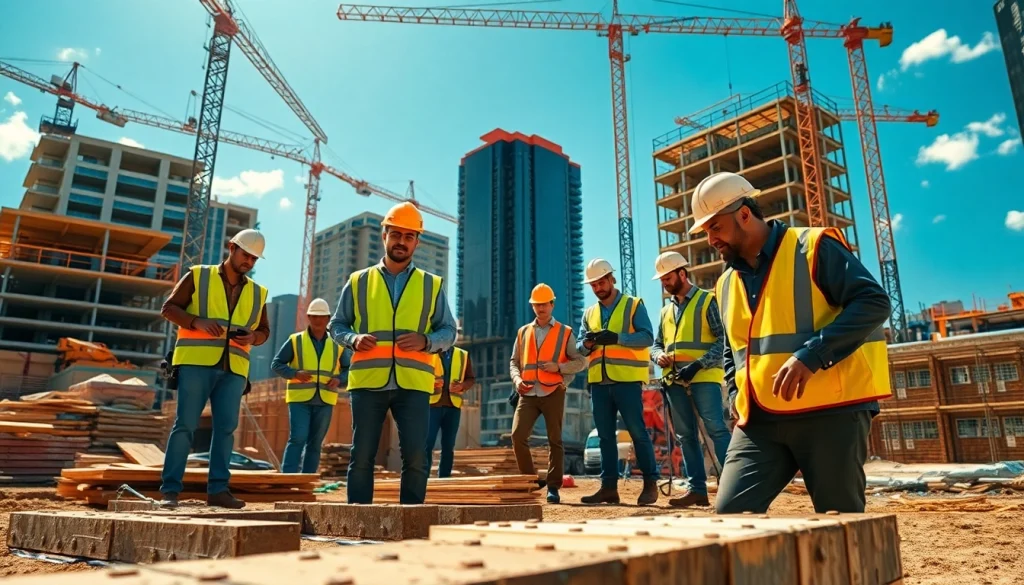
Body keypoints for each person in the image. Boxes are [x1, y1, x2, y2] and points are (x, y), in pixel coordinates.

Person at [687, 171, 891, 515]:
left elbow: (873, 302)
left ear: (744, 214)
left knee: (838, 523)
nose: (710, 239)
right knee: (732, 514)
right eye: (705, 231)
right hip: (761, 421)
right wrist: (737, 394)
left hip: (831, 412)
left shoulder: (812, 247)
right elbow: (732, 350)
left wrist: (813, 354)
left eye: (715, 227)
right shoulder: (724, 285)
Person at [328, 201, 457, 504]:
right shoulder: (359, 280)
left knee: (415, 455)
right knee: (361, 454)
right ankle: (358, 520)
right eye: (396, 234)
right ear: (384, 235)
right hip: (368, 381)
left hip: (413, 383)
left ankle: (411, 520)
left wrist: (426, 340)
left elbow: (449, 332)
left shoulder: (431, 284)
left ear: (417, 241)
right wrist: (353, 337)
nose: (401, 241)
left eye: (409, 236)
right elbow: (337, 325)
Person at [159, 229, 270, 509]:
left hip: (234, 368)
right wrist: (196, 321)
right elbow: (169, 308)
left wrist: (254, 337)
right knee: (185, 425)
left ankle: (218, 491)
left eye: (254, 258)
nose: (249, 262)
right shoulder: (198, 275)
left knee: (226, 429)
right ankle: (170, 491)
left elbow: (264, 331)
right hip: (196, 364)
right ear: (231, 248)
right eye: (246, 254)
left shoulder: (258, 293)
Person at [577, 259, 660, 506]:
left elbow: (647, 337)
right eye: (593, 284)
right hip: (599, 383)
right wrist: (588, 344)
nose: (597, 287)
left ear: (612, 279)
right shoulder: (589, 313)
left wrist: (617, 338)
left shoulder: (634, 305)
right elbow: (580, 347)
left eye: (601, 282)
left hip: (626, 381)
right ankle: (608, 488)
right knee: (604, 437)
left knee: (637, 433)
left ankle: (650, 484)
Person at [650, 251, 730, 508]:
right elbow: (656, 345)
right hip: (674, 380)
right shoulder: (665, 311)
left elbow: (723, 341)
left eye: (668, 277)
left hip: (704, 377)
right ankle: (697, 490)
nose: (664, 283)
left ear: (682, 273)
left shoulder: (708, 301)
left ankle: (735, 485)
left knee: (716, 428)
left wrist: (698, 365)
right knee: (686, 436)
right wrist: (659, 355)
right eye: (662, 279)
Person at [509, 283, 587, 504]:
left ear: (552, 304)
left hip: (553, 391)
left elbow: (581, 361)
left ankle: (553, 487)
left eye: (544, 304)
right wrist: (517, 380)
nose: (540, 308)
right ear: (532, 306)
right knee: (517, 436)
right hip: (528, 392)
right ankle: (530, 481)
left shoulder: (565, 332)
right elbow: (514, 362)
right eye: (536, 304)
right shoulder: (523, 332)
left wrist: (559, 369)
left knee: (555, 440)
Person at [272, 298, 352, 474]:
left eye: (322, 317)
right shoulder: (295, 340)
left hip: (325, 399)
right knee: (298, 438)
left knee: (315, 443)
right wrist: (294, 374)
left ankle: (306, 480)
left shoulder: (337, 344)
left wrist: (339, 379)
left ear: (328, 318)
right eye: (314, 316)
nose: (318, 320)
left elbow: (349, 370)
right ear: (308, 317)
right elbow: (277, 364)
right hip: (299, 399)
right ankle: (288, 479)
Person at [426, 345, 474, 478]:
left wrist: (462, 386)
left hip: (453, 407)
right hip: (432, 406)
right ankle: (423, 478)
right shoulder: (428, 352)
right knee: (427, 444)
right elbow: (418, 374)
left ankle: (444, 478)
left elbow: (470, 378)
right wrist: (431, 382)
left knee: (448, 446)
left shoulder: (462, 354)